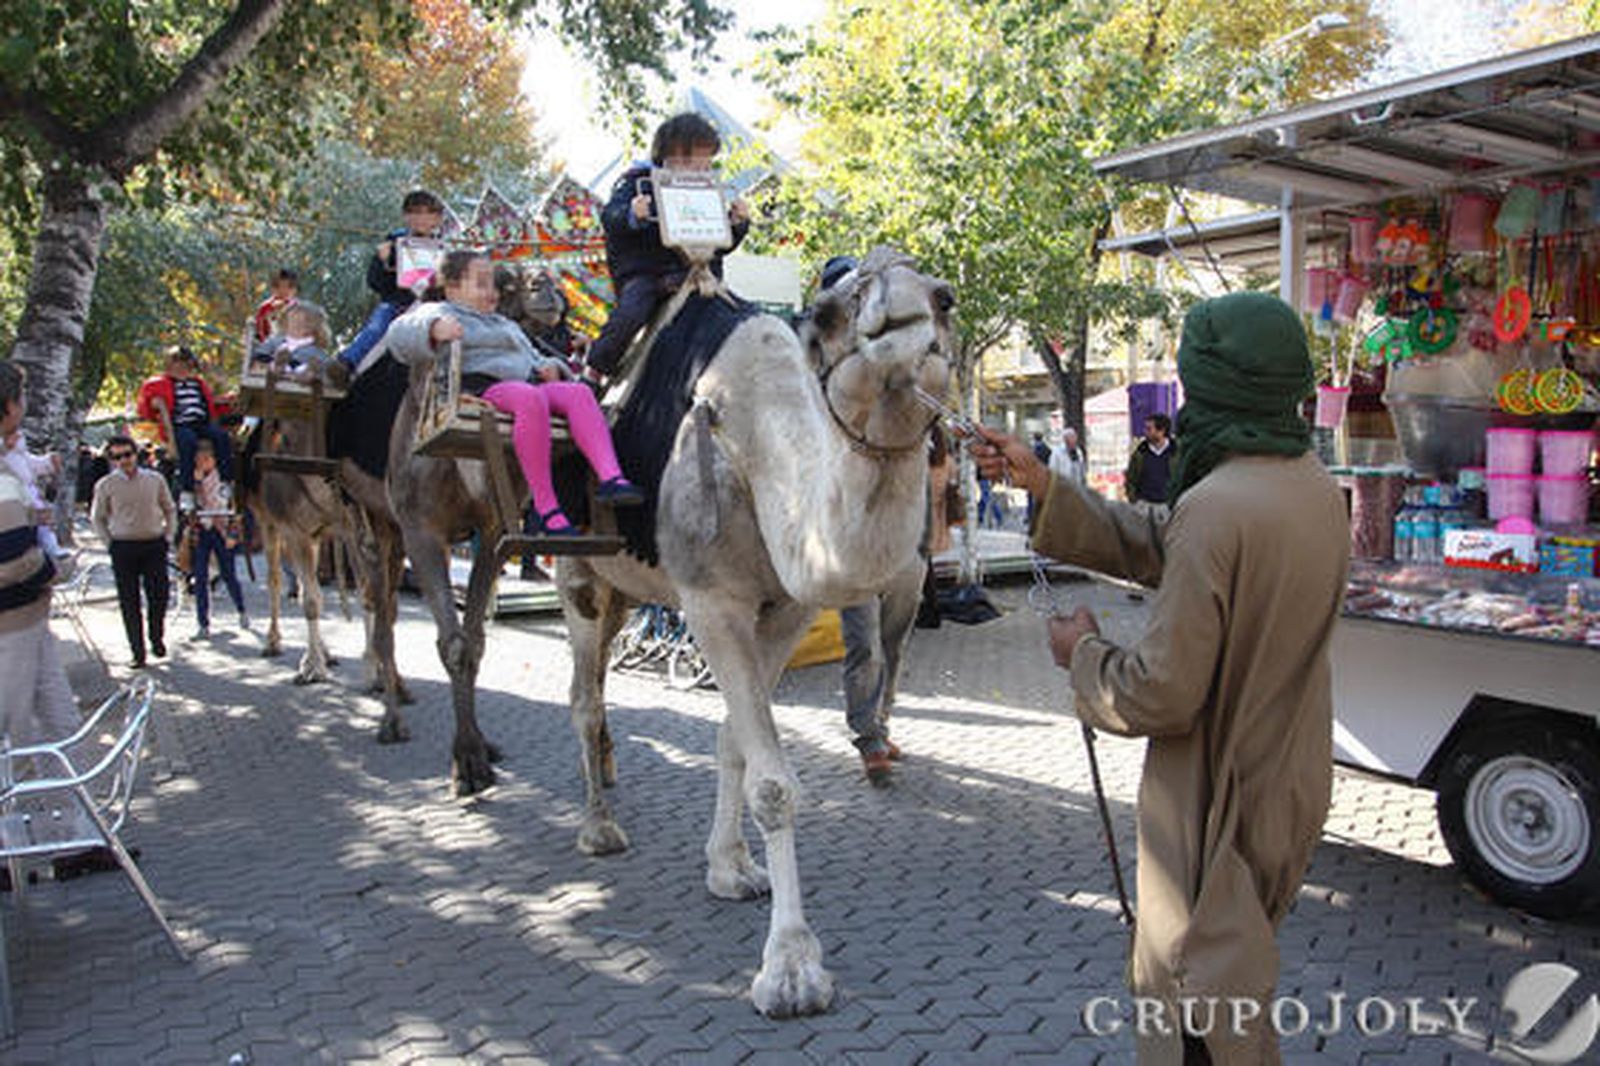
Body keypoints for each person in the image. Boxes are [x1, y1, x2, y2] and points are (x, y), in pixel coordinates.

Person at [972, 292, 1349, 1065]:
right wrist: (1047, 486)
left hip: (1217, 798)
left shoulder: (1218, 505)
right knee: (1230, 985)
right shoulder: (1309, 482)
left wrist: (1083, 654)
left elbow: (1161, 691)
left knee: (1197, 1013)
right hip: (1287, 779)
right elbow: (1175, 542)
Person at [385, 250, 643, 536]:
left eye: (493, 284)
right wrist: (433, 328)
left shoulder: (505, 324)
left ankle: (611, 478)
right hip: (482, 390)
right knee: (528, 398)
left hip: (526, 385)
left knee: (578, 394)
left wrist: (549, 366)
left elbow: (531, 356)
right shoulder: (441, 312)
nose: (491, 292)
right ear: (452, 287)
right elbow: (399, 334)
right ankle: (546, 508)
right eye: (481, 284)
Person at [585, 112, 750, 378]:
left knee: (737, 311)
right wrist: (631, 214)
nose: (698, 170)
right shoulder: (638, 183)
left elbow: (720, 245)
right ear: (666, 157)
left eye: (704, 163)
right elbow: (610, 217)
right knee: (632, 311)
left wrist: (737, 224)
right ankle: (595, 369)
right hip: (650, 273)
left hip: (699, 275)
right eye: (688, 160)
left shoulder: (708, 192)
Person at [0, 361, 80, 748]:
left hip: (28, 618)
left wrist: (31, 517)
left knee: (60, 723)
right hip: (10, 627)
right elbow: (13, 559)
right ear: (9, 406)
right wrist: (54, 570)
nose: (26, 403)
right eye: (23, 395)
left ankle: (74, 808)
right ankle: (25, 806)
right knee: (17, 739)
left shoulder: (10, 460)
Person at [92, 433, 177, 668]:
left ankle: (156, 637)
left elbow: (169, 508)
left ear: (136, 454)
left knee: (159, 596)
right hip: (123, 546)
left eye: (127, 455)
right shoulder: (105, 485)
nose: (123, 461)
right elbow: (97, 518)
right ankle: (137, 653)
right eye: (117, 457)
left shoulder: (155, 479)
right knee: (129, 602)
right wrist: (108, 544)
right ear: (111, 459)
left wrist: (168, 536)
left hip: (153, 544)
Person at [338, 189, 446, 372]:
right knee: (378, 323)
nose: (422, 218)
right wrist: (383, 261)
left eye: (429, 212)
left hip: (430, 308)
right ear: (406, 216)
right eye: (416, 212)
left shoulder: (445, 247)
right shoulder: (395, 242)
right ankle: (346, 363)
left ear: (438, 219)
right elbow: (375, 283)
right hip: (397, 303)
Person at [136, 345, 234, 511]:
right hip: (181, 424)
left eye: (185, 365)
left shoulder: (198, 384)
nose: (182, 369)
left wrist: (229, 399)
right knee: (188, 442)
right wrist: (155, 404)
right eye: (178, 364)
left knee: (221, 436)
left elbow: (211, 403)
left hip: (202, 422)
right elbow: (147, 407)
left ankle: (225, 481)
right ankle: (186, 489)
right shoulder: (161, 384)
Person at [187, 440, 248, 639]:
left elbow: (233, 509)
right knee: (200, 577)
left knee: (228, 574)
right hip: (202, 529)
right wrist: (196, 484)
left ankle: (241, 609)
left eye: (206, 459)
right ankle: (202, 623)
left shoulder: (224, 481)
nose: (202, 463)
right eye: (199, 459)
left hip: (221, 528)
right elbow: (187, 505)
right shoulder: (192, 481)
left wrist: (232, 534)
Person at [2, 424, 68, 568]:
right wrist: (5, 446)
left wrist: (48, 462)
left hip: (28, 489)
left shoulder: (20, 454)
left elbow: (31, 462)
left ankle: (50, 545)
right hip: (9, 493)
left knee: (43, 519)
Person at [1124, 412, 1176, 508]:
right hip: (1144, 508)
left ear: (1161, 431)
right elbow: (1130, 481)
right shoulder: (1139, 454)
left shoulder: (1177, 453)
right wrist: (1135, 502)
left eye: (1149, 429)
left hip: (1170, 507)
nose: (1145, 432)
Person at [253, 267, 300, 342]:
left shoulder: (299, 307)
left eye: (289, 287)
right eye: (278, 287)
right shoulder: (266, 307)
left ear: (295, 289)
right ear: (273, 288)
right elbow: (260, 330)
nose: (283, 291)